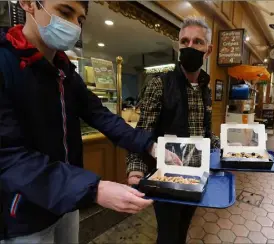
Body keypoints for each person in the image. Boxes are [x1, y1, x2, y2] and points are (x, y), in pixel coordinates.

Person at [0, 1, 180, 243]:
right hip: (25, 211)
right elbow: (9, 156)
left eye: (80, 20)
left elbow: (101, 115)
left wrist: (151, 146)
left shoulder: (65, 72)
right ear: (29, 4)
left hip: (67, 202)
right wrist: (95, 189)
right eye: (65, 12)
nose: (74, 26)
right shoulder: (5, 63)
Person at [127, 16, 220, 244]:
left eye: (197, 42)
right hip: (166, 174)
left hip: (197, 174)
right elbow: (143, 131)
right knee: (168, 235)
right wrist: (135, 169)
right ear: (178, 45)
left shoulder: (205, 89)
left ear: (208, 50)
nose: (190, 47)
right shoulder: (159, 84)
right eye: (184, 41)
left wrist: (229, 147)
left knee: (183, 229)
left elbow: (204, 133)